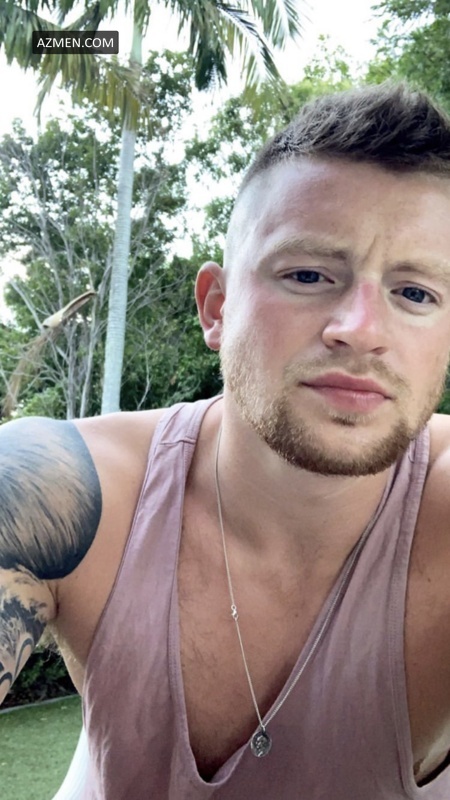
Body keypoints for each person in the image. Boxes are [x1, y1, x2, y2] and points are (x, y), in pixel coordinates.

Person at [2, 79, 450, 800]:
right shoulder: (61, 488)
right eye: (308, 274)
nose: (361, 330)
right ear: (216, 307)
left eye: (416, 293)